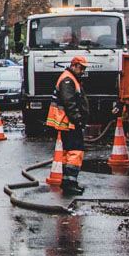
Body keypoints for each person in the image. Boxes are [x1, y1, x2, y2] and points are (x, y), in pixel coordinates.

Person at [46, 56, 90, 194]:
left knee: (67, 152)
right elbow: (69, 103)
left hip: (67, 122)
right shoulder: (68, 80)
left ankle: (68, 182)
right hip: (68, 122)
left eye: (84, 68)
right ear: (74, 65)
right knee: (76, 151)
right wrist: (78, 120)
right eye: (81, 67)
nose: (83, 71)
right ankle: (70, 183)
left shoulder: (70, 78)